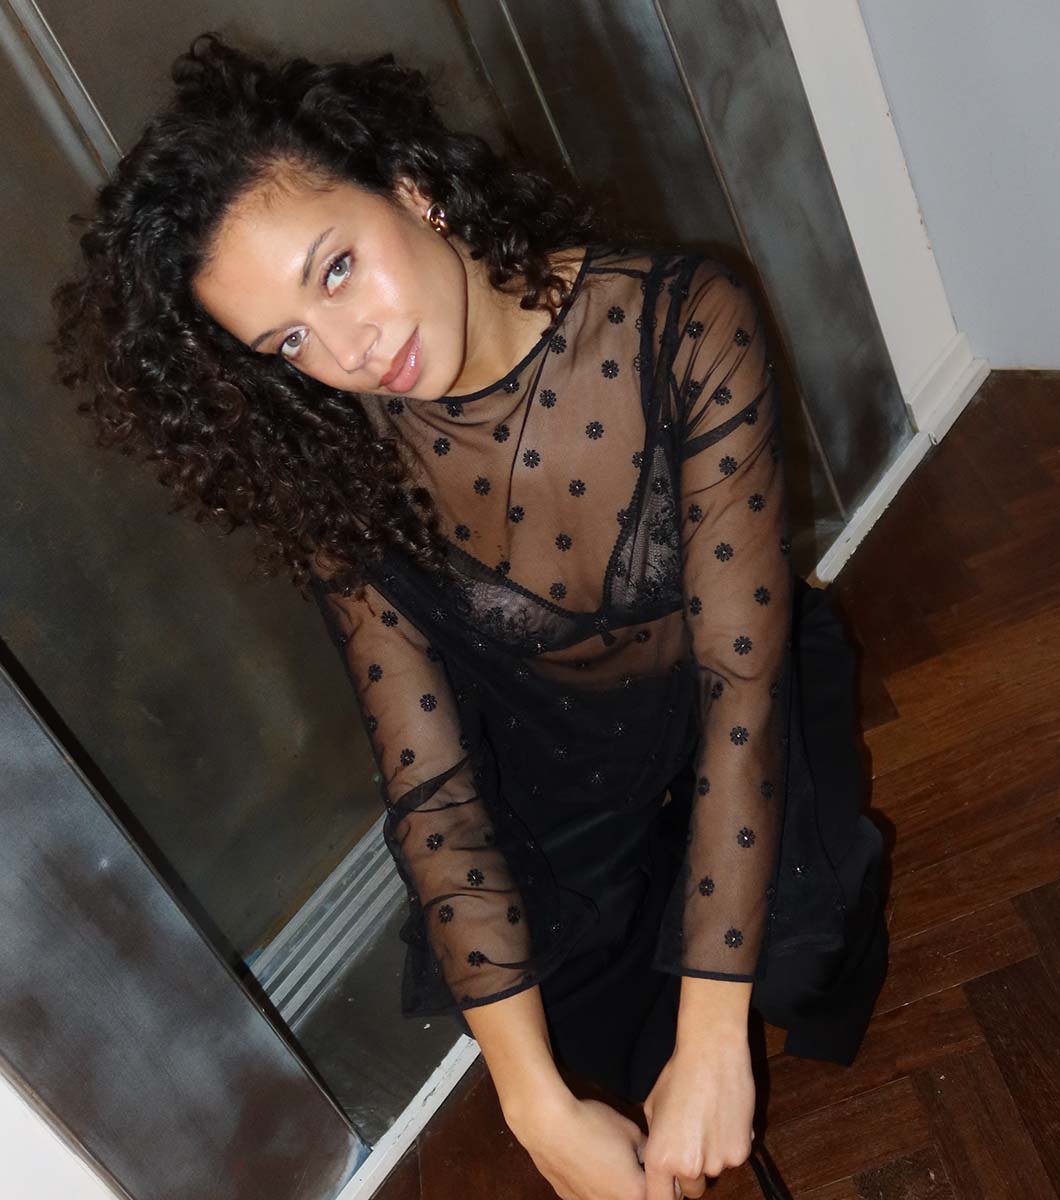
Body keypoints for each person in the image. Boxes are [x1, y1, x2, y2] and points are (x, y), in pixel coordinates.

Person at [50, 32, 889, 1200]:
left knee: (773, 965)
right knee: (590, 1064)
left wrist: (712, 1039)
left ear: (412, 189)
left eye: (336, 269)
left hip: (732, 706)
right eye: (287, 342)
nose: (346, 350)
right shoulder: (341, 471)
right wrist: (534, 1109)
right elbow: (433, 791)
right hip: (556, 771)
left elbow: (740, 684)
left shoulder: (681, 320)